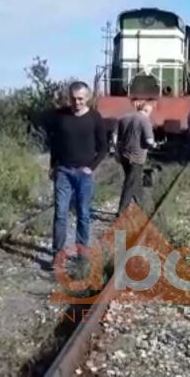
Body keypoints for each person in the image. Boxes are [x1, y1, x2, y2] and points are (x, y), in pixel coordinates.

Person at [46, 81, 108, 266]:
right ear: (69, 98)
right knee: (61, 213)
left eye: (80, 99)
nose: (77, 102)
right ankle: (57, 254)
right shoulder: (61, 116)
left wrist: (91, 167)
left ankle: (81, 254)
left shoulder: (95, 117)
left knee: (83, 213)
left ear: (87, 98)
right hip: (63, 171)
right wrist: (53, 166)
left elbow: (103, 147)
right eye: (73, 99)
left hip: (84, 174)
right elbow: (55, 143)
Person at [112, 101, 157, 217]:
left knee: (135, 181)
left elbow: (114, 136)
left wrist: (116, 151)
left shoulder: (123, 118)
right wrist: (154, 145)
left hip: (124, 156)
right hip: (137, 158)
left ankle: (141, 207)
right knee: (130, 183)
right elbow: (149, 141)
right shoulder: (145, 121)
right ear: (146, 110)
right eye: (149, 112)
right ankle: (121, 212)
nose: (149, 115)